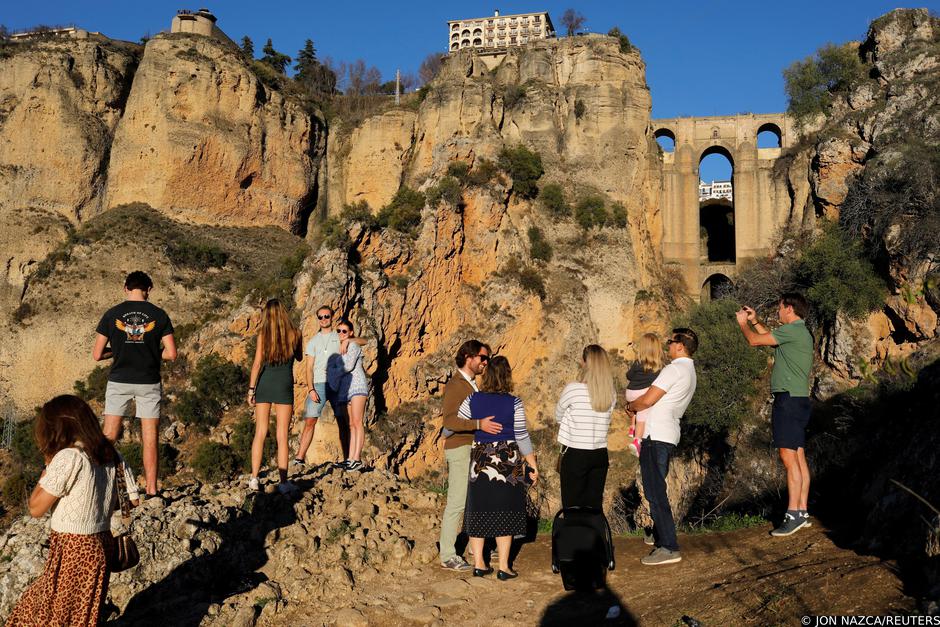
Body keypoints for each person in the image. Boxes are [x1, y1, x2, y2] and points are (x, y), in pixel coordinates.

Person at [5, 395, 139, 627]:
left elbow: (36, 508)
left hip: (73, 548)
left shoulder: (69, 457)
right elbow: (133, 500)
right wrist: (97, 503)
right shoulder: (113, 454)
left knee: (50, 616)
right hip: (100, 544)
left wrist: (48, 464)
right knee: (77, 617)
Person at [736, 293, 814, 536]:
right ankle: (801, 511)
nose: (778, 312)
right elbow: (771, 340)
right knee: (798, 456)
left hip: (787, 400)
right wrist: (756, 320)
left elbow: (755, 342)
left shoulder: (792, 331)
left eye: (780, 308)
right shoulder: (799, 331)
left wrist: (743, 325)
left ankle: (793, 514)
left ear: (789, 309)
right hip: (798, 399)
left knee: (788, 457)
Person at [94, 270, 176, 497]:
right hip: (148, 381)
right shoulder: (159, 315)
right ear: (148, 289)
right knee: (149, 436)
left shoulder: (112, 314)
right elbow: (171, 353)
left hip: (119, 381)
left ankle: (101, 490)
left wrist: (117, 351)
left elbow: (97, 354)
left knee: (109, 435)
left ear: (125, 288)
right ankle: (151, 489)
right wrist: (151, 352)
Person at [457, 356, 538, 579]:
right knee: (507, 509)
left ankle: (479, 564)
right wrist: (531, 464)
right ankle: (504, 567)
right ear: (507, 376)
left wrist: (477, 427)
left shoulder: (472, 399)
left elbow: (458, 422)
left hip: (480, 459)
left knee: (478, 509)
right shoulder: (514, 403)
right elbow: (521, 436)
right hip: (507, 460)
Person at [626, 328, 698, 566]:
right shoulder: (690, 371)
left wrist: (631, 407)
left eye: (671, 342)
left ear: (680, 345)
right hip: (668, 433)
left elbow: (648, 399)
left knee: (655, 492)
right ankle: (662, 538)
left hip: (655, 434)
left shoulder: (674, 369)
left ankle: (668, 546)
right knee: (656, 490)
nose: (667, 346)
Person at [438, 340, 501, 572]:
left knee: (476, 501)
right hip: (460, 448)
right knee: (457, 502)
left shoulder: (472, 385)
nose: (485, 362)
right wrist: (479, 424)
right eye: (482, 358)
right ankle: (447, 554)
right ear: (468, 357)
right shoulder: (456, 385)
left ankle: (476, 548)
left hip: (473, 448)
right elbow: (449, 420)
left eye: (487, 359)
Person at [248, 299, 303, 494]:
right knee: (282, 435)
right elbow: (299, 357)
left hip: (265, 384)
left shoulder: (263, 335)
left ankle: (254, 478)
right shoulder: (295, 333)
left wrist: (251, 389)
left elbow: (256, 364)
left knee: (260, 433)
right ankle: (283, 482)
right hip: (284, 386)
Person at [554, 345, 617, 510]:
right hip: (600, 454)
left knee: (572, 505)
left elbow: (558, 416)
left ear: (584, 362)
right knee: (594, 506)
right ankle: (592, 536)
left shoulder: (573, 389)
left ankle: (573, 536)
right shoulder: (611, 393)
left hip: (575, 453)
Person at [326, 319, 370, 471]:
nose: (341, 334)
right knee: (350, 424)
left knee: (357, 422)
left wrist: (333, 372)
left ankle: (356, 459)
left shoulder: (353, 345)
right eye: (338, 331)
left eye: (344, 331)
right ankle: (350, 458)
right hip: (346, 390)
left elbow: (349, 365)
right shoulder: (339, 350)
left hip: (357, 386)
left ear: (350, 332)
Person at [624, 333, 665, 457]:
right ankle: (637, 441)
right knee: (642, 418)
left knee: (635, 410)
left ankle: (632, 426)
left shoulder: (638, 363)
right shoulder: (659, 368)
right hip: (641, 395)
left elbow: (628, 376)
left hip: (630, 393)